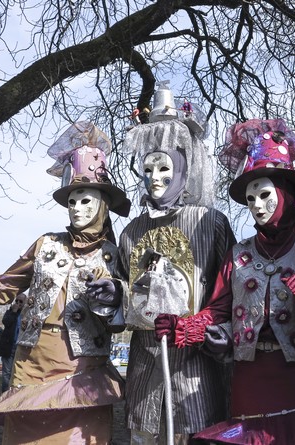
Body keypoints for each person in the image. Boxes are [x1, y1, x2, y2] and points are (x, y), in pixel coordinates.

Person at [155, 119, 295, 444]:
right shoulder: (239, 254)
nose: (257, 206)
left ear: (285, 193)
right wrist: (186, 327)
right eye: (251, 199)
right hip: (249, 379)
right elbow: (219, 309)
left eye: (264, 195)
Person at [0, 121, 131, 444]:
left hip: (84, 374)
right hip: (34, 367)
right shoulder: (46, 245)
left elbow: (126, 315)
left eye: (86, 201)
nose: (77, 209)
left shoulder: (115, 255)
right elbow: (5, 284)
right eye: (72, 201)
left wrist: (114, 299)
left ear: (103, 204)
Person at [117, 82, 236, 444]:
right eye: (148, 169)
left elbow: (229, 292)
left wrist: (211, 332)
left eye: (164, 168)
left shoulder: (209, 223)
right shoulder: (131, 231)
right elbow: (123, 292)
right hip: (144, 366)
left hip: (196, 368)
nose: (154, 178)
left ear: (182, 169)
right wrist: (113, 294)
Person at [0, 294, 23, 392]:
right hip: (9, 346)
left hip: (20, 347)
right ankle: (5, 393)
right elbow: (6, 322)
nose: (18, 303)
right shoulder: (9, 312)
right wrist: (14, 312)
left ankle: (14, 393)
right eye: (17, 301)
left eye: (21, 302)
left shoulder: (26, 314)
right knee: (6, 372)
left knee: (17, 372)